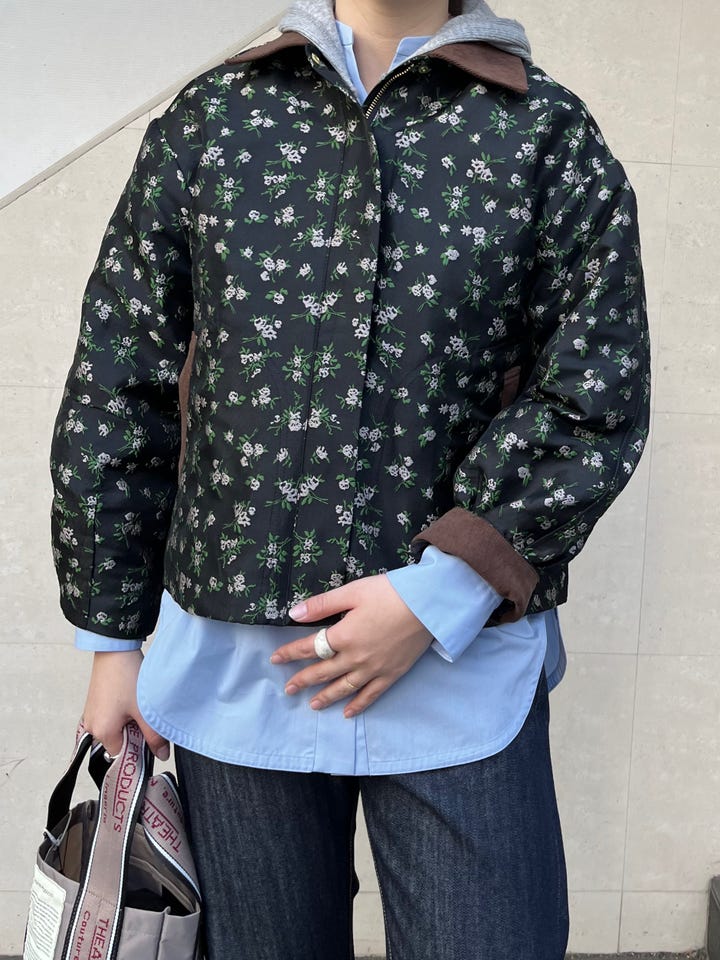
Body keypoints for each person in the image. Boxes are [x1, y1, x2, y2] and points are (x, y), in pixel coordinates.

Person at [50, 0, 650, 957]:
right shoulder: (214, 121)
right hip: (238, 677)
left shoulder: (545, 133)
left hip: (462, 666)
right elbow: (123, 379)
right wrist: (111, 641)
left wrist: (444, 589)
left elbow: (595, 387)